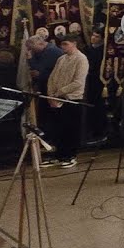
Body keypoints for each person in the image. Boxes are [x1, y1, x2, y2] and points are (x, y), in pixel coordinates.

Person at [44, 38, 88, 168]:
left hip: (72, 98)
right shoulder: (61, 59)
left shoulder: (81, 59)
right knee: (58, 128)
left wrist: (60, 92)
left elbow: (79, 82)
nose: (63, 47)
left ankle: (71, 155)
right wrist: (50, 94)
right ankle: (59, 154)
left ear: (74, 44)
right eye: (61, 44)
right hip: (57, 98)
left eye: (65, 44)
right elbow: (52, 77)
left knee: (71, 129)